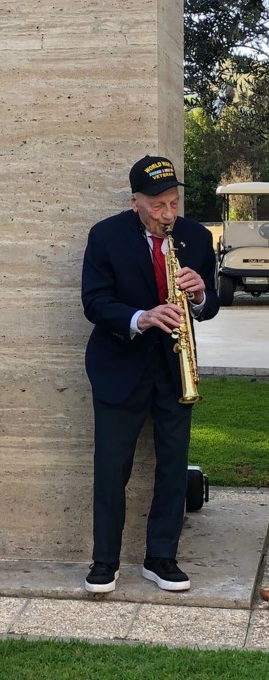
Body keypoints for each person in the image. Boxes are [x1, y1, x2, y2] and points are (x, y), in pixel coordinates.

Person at [81, 155, 219, 593]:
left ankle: (161, 558)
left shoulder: (195, 236)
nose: (168, 215)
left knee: (173, 467)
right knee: (111, 468)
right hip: (120, 366)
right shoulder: (105, 236)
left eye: (174, 203)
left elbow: (210, 305)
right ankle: (105, 561)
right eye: (158, 205)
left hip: (177, 368)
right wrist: (140, 317)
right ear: (135, 201)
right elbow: (95, 302)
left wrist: (198, 297)